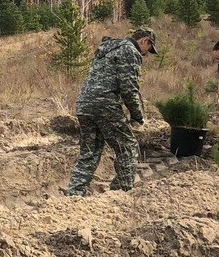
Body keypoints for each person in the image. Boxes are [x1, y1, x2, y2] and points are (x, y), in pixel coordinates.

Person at [65, 27, 157, 196]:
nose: (147, 54)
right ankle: (118, 195)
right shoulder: (130, 51)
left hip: (84, 104)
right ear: (145, 40)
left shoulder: (109, 48)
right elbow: (129, 88)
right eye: (149, 49)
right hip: (105, 105)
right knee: (128, 148)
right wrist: (137, 116)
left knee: (89, 153)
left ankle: (73, 194)